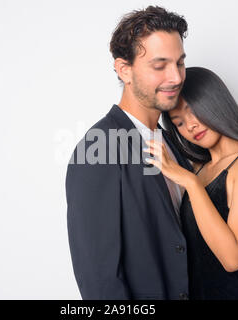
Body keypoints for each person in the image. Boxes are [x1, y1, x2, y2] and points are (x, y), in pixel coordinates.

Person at [66, 6, 192, 299]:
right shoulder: (98, 148)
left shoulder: (174, 141)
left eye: (180, 63)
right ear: (125, 70)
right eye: (160, 66)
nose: (175, 77)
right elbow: (100, 279)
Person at [144, 67, 238, 299]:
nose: (190, 126)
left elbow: (232, 259)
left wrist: (191, 183)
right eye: (179, 123)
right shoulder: (198, 168)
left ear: (214, 102)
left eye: (192, 111)